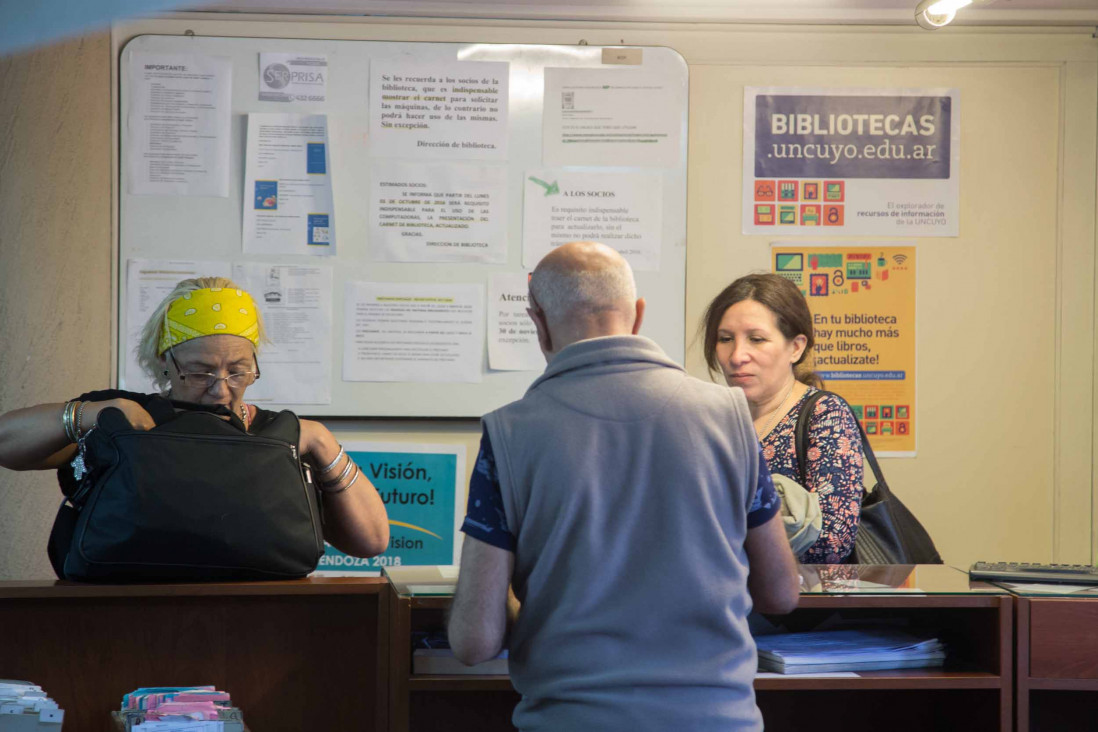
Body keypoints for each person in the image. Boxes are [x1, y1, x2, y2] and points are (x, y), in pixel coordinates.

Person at [448, 242, 800, 732]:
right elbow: (781, 594)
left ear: (539, 322)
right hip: (718, 720)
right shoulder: (730, 417)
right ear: (637, 315)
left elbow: (473, 642)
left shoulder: (510, 433)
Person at [0, 277, 389, 559]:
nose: (220, 389)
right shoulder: (121, 418)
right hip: (118, 615)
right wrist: (90, 415)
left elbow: (370, 542)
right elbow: (7, 444)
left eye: (238, 370)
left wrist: (321, 441)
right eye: (199, 372)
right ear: (162, 362)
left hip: (253, 620)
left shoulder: (277, 434)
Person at [701, 273, 863, 564]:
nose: (737, 356)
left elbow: (831, 541)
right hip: (723, 603)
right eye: (726, 339)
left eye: (757, 339)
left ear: (796, 347)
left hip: (801, 603)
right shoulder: (709, 420)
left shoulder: (824, 414)